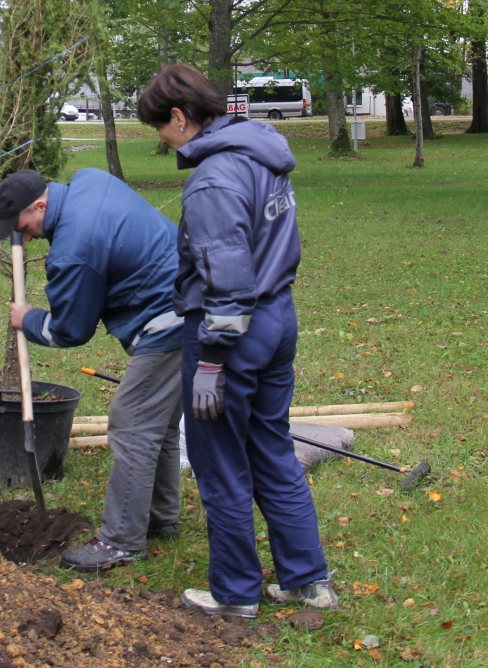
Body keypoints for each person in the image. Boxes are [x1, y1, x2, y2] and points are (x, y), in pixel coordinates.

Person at [138, 64, 335, 619]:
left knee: (220, 459)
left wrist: (210, 366)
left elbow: (226, 277)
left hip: (231, 337)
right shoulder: (263, 155)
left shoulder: (214, 180)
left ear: (179, 117)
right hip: (278, 321)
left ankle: (233, 594)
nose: (160, 139)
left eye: (160, 127)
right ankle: (306, 580)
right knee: (272, 448)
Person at [0, 166, 185, 571]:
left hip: (170, 322)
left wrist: (27, 318)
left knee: (132, 422)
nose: (23, 236)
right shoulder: (89, 180)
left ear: (40, 204)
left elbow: (72, 329)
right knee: (159, 423)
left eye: (23, 225)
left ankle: (120, 541)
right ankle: (159, 517)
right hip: (193, 301)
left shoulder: (73, 249)